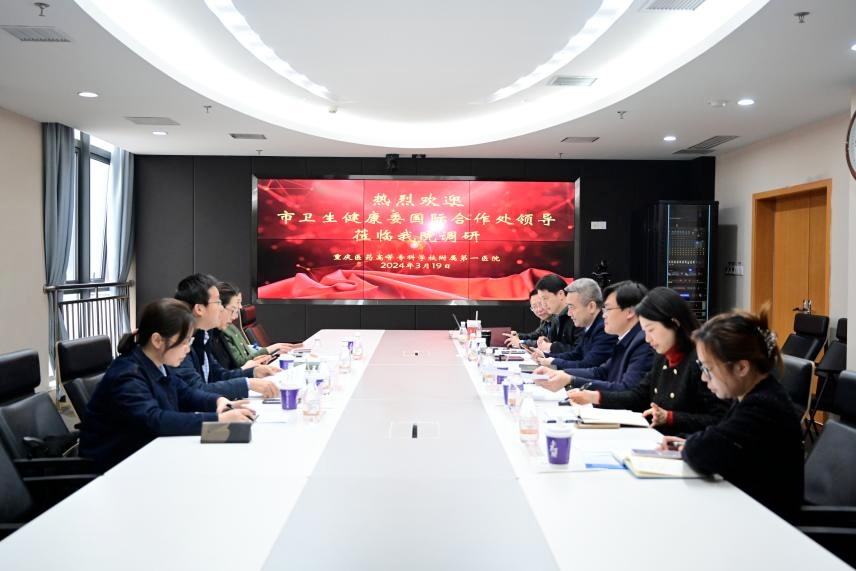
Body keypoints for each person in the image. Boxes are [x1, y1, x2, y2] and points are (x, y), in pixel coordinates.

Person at [660, 304, 804, 521]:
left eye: (708, 369)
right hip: (747, 510)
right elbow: (721, 437)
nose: (703, 378)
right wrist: (688, 442)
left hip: (766, 523)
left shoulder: (762, 407)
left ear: (741, 367)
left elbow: (704, 452)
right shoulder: (754, 395)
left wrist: (690, 445)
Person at [80, 299, 256, 471]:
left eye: (189, 341)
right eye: (184, 342)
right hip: (115, 470)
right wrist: (218, 420)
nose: (188, 349)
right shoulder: (127, 374)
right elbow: (155, 420)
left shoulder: (158, 364)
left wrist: (219, 401)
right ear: (157, 340)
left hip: (149, 458)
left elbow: (186, 393)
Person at [568, 287, 728, 436]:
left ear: (674, 323)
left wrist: (671, 417)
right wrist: (594, 397)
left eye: (651, 330)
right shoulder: (662, 356)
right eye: (644, 331)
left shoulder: (700, 360)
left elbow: (720, 419)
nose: (647, 339)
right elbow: (639, 396)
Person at [170, 274, 280, 399]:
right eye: (218, 302)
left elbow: (217, 375)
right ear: (199, 309)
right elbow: (196, 390)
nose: (221, 308)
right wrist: (247, 384)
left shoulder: (203, 336)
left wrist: (253, 372)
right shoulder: (180, 343)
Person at [535, 280, 653, 393]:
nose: (604, 315)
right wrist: (561, 372)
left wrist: (571, 379)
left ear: (630, 312)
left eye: (608, 309)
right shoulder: (624, 338)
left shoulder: (641, 342)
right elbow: (600, 371)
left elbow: (627, 390)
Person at [532, 278, 615, 375]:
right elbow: (576, 354)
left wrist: (553, 363)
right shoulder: (590, 326)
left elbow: (588, 366)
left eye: (572, 307)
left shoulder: (604, 329)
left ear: (591, 307)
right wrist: (546, 356)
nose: (569, 313)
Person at [210, 282, 301, 370]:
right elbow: (236, 367)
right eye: (237, 304)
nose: (240, 307)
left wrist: (262, 359)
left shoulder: (224, 329)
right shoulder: (216, 335)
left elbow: (225, 374)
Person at [533, 274, 583, 354]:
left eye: (545, 298)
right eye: (541, 300)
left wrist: (552, 347)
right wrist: (546, 342)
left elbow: (581, 352)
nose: (543, 304)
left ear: (561, 294)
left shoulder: (578, 315)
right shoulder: (555, 317)